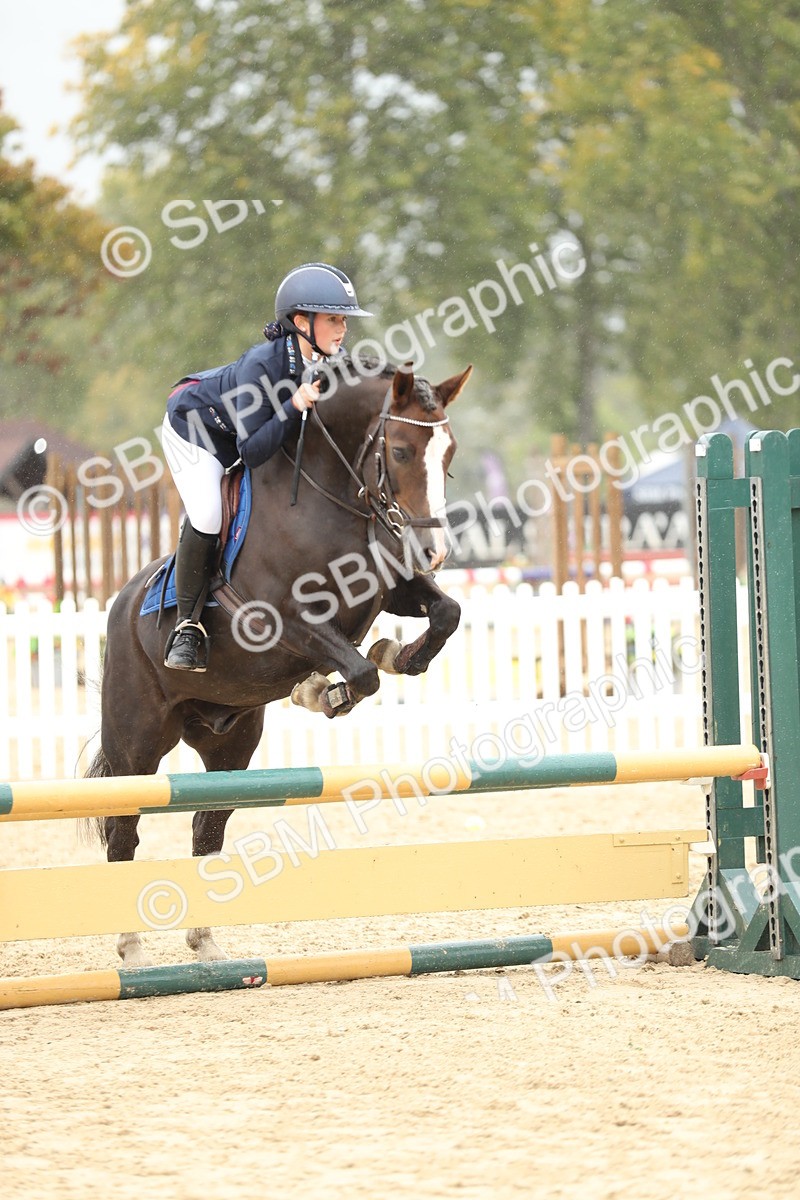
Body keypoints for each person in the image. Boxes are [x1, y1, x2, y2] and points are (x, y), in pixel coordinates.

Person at [160, 262, 372, 672]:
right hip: (196, 432)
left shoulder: (332, 361)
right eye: (333, 319)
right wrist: (294, 404)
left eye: (344, 320)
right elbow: (253, 451)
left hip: (247, 432)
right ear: (301, 322)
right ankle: (187, 627)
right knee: (208, 513)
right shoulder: (262, 366)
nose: (343, 329)